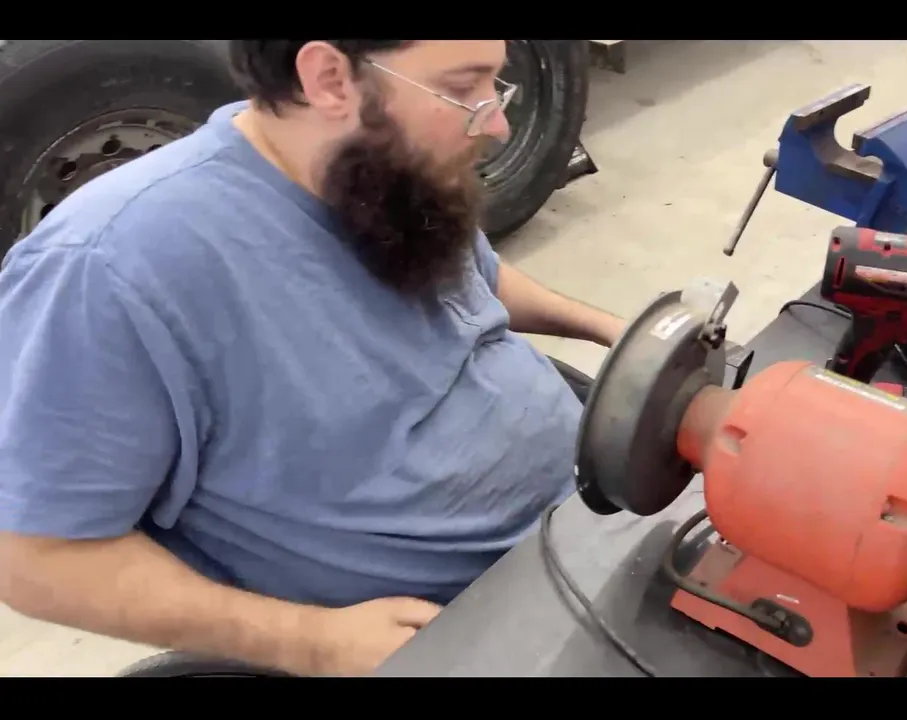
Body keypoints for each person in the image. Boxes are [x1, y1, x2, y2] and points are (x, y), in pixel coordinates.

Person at [0, 40, 626, 677]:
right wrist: (312, 641)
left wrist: (616, 333)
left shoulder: (379, 174)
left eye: (496, 83)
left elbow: (475, 281)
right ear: (328, 78)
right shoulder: (108, 270)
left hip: (605, 513)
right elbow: (36, 559)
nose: (497, 124)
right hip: (492, 625)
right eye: (464, 88)